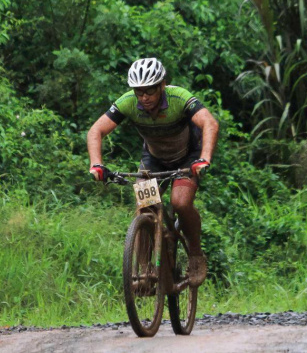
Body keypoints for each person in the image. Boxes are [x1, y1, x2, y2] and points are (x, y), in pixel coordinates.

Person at [87, 58, 218, 286]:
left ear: (162, 85)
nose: (144, 97)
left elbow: (209, 123)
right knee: (145, 209)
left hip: (187, 157)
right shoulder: (128, 103)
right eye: (139, 91)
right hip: (154, 159)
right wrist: (96, 164)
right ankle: (146, 271)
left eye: (150, 90)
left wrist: (204, 159)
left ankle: (196, 254)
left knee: (180, 203)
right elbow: (95, 131)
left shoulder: (179, 98)